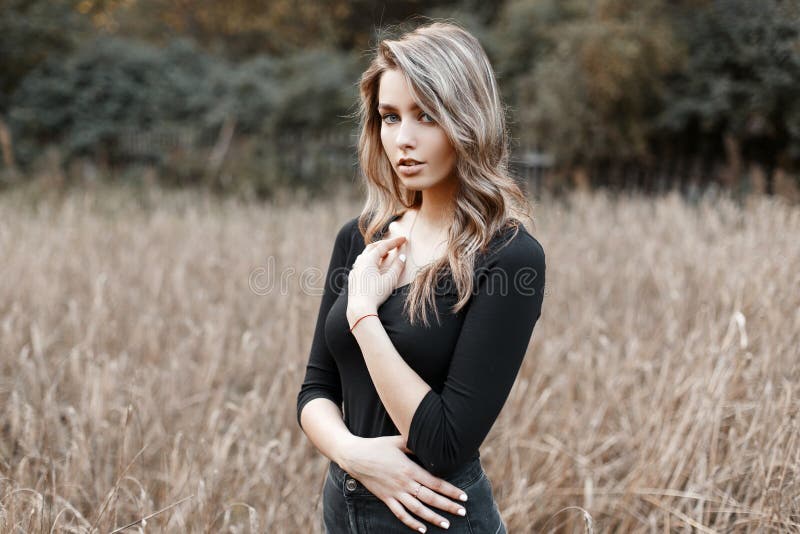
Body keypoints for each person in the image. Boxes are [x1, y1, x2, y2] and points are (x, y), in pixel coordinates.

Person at [296, 20, 546, 533]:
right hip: (342, 508)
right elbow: (315, 389)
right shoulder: (360, 236)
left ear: (468, 120)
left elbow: (443, 441)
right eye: (390, 117)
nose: (402, 140)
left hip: (438, 520)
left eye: (426, 116)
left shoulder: (510, 259)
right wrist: (356, 456)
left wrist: (363, 313)